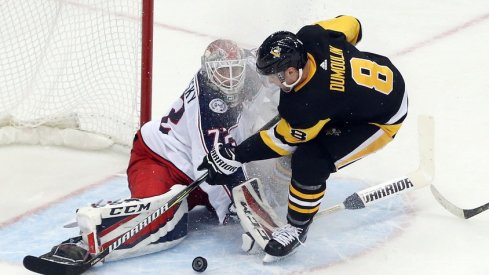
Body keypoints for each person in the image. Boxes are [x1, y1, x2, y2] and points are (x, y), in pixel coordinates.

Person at [40, 39, 277, 264]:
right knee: (164, 224)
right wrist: (242, 212)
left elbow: (276, 56)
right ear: (208, 71)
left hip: (197, 173)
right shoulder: (208, 105)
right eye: (222, 71)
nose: (231, 78)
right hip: (160, 160)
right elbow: (215, 165)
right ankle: (93, 233)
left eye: (234, 69)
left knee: (267, 178)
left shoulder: (252, 66)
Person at [198, 15, 408, 261]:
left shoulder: (309, 104)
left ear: (291, 71)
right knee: (299, 129)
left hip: (380, 119)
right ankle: (280, 187)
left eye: (274, 77)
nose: (270, 82)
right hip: (381, 78)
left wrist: (235, 156)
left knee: (310, 160)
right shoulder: (311, 37)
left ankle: (297, 228)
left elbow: (281, 141)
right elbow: (353, 24)